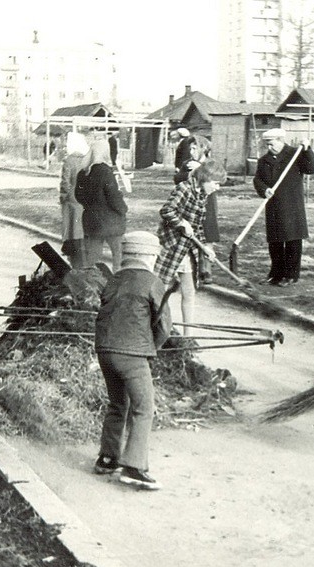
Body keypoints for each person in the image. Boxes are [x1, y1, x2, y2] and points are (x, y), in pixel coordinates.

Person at [93, 231, 173, 491]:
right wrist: (153, 347)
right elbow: (164, 327)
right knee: (143, 408)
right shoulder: (152, 282)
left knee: (118, 404)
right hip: (133, 354)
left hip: (105, 351)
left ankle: (107, 458)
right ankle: (134, 467)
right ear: (149, 256)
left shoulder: (114, 280)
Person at [156, 159, 226, 327]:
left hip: (187, 251)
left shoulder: (203, 195)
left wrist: (206, 249)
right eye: (216, 183)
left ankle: (188, 335)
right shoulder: (184, 189)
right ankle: (155, 329)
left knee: (189, 293)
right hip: (171, 247)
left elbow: (197, 228)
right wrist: (181, 223)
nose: (218, 188)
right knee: (159, 292)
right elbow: (166, 211)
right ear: (206, 179)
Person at [254, 127, 314, 285]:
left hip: (292, 206)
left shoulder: (295, 154)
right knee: (275, 243)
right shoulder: (264, 161)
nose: (269, 147)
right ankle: (275, 274)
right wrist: (264, 189)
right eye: (267, 144)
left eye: (272, 144)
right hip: (273, 206)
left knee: (292, 241)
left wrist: (307, 150)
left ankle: (291, 275)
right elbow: (257, 180)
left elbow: (310, 169)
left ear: (281, 141)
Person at [75, 138, 128, 274]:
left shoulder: (83, 172)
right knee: (118, 257)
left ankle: (93, 282)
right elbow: (113, 196)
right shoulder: (105, 171)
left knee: (92, 259)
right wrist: (123, 209)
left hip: (91, 221)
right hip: (111, 222)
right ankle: (117, 283)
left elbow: (78, 196)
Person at [173, 136, 218, 284]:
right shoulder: (187, 163)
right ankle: (192, 267)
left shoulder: (210, 164)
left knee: (207, 233)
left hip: (208, 203)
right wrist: (190, 173)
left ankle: (206, 270)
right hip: (191, 202)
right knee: (191, 232)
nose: (191, 151)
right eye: (190, 148)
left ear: (204, 148)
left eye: (194, 148)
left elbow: (215, 178)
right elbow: (177, 178)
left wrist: (199, 169)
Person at [59, 131, 91, 268]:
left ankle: (74, 260)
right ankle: (83, 259)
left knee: (71, 230)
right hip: (85, 198)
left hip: (72, 199)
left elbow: (65, 182)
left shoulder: (69, 161)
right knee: (82, 229)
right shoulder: (87, 160)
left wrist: (63, 196)